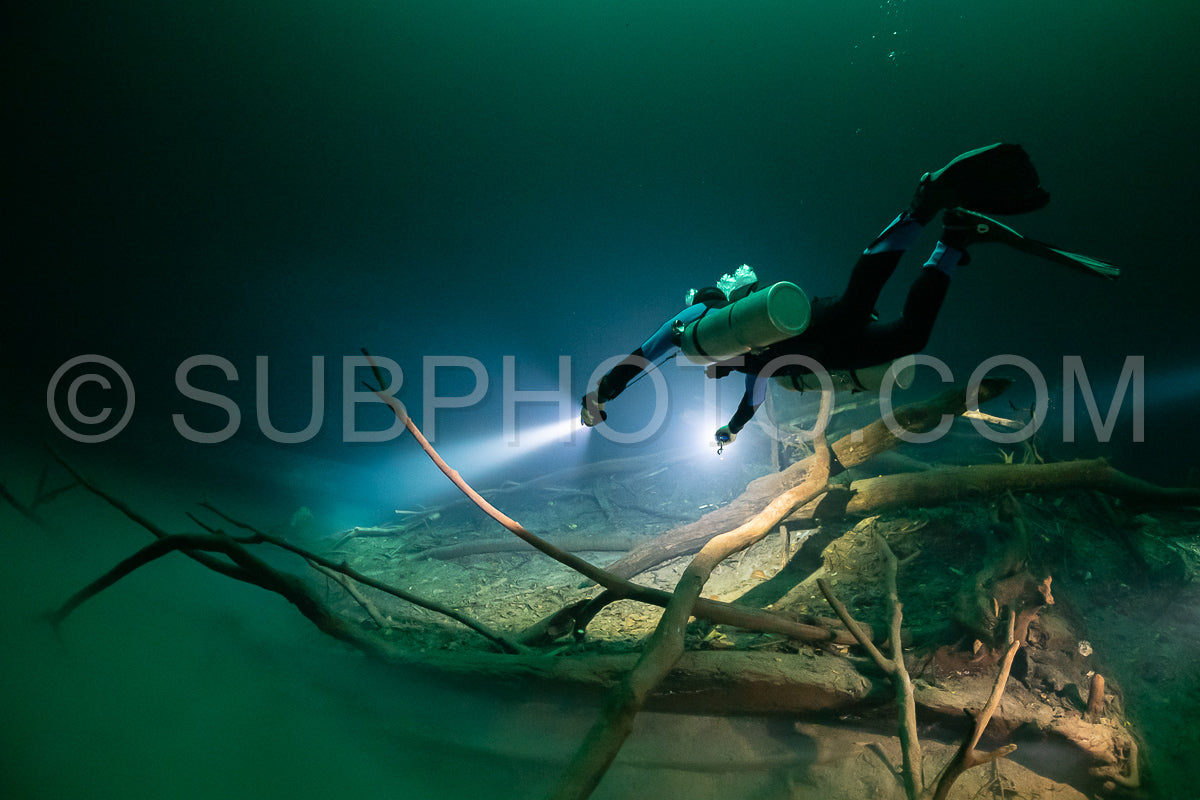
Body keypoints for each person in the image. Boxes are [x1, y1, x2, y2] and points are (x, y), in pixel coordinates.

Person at [580, 144, 1118, 446]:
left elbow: (646, 352)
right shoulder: (741, 356)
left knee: (865, 304)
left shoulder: (699, 320)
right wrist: (734, 427)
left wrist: (602, 394)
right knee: (909, 333)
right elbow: (758, 389)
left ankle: (920, 210)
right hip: (820, 347)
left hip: (810, 339)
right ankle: (953, 241)